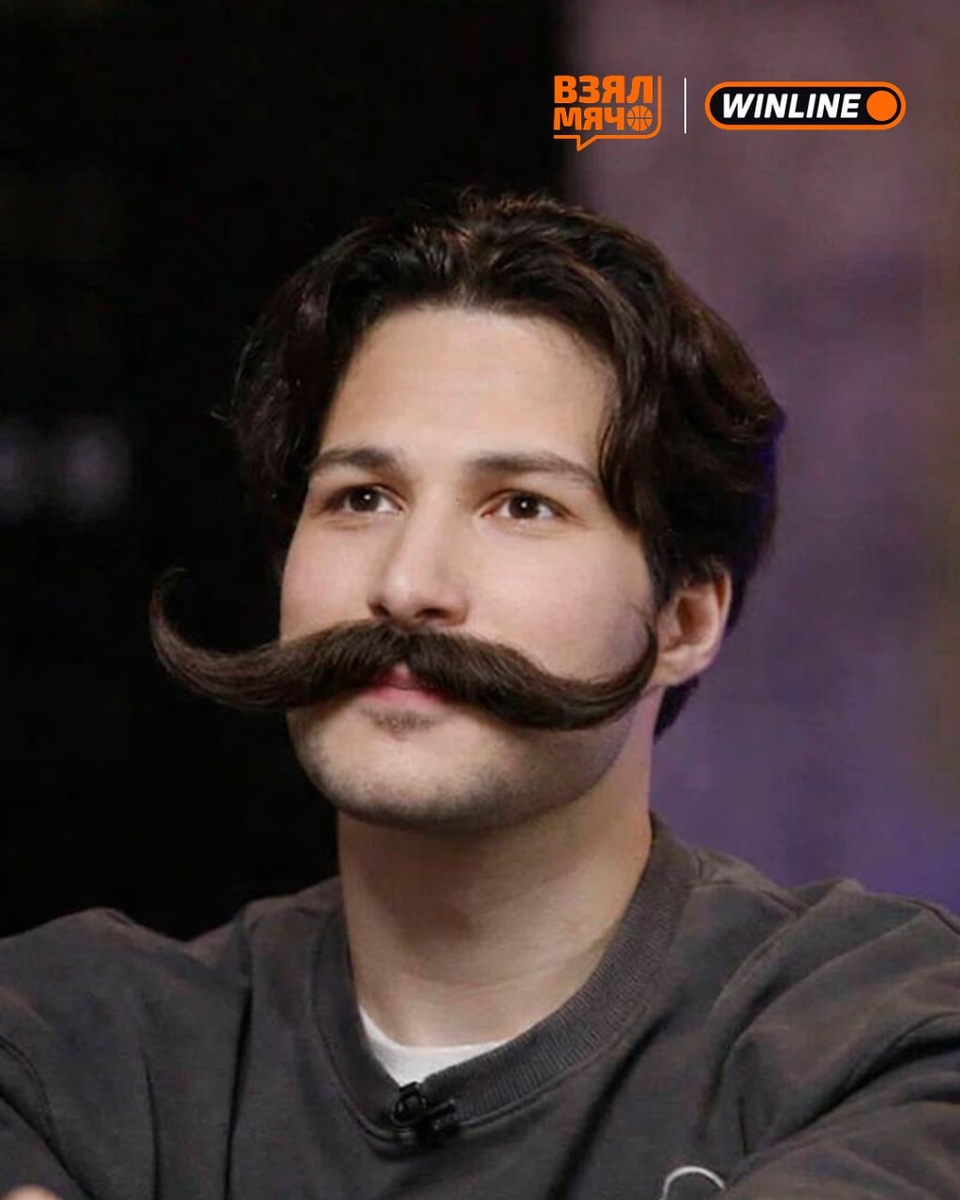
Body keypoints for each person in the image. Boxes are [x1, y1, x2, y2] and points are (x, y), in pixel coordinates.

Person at [1, 190, 958, 1200]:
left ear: (683, 620)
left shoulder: (874, 1036)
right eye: (362, 498)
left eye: (522, 506)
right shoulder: (71, 1046)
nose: (408, 584)